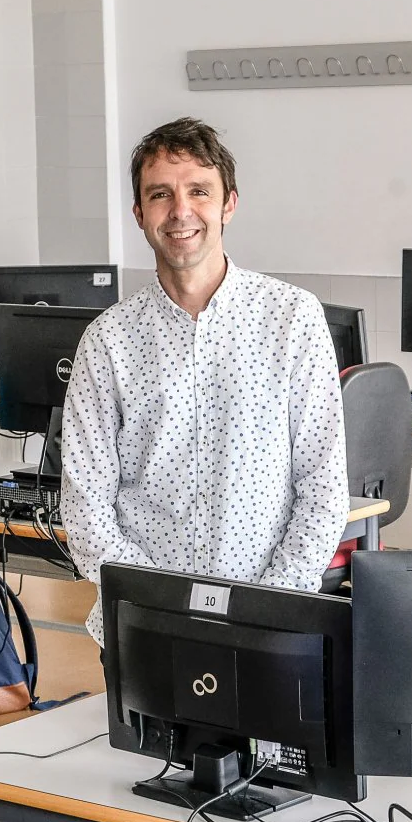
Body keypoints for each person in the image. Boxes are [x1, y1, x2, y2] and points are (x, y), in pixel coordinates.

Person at [60, 117, 348, 646]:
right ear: (139, 214)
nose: (180, 211)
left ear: (229, 204)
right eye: (161, 194)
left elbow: (323, 490)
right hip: (142, 627)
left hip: (269, 621)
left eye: (199, 191)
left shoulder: (292, 319)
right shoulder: (108, 341)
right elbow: (85, 506)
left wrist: (271, 607)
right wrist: (152, 606)